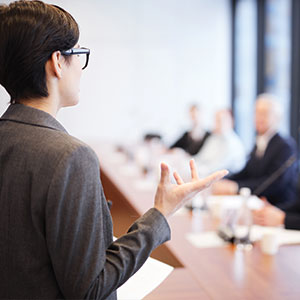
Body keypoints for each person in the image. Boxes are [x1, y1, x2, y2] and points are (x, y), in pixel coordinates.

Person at [0, 1, 227, 299]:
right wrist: (160, 213)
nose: (81, 68)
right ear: (57, 61)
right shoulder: (69, 157)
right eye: (79, 54)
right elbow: (91, 289)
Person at [213, 94, 298, 209]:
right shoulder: (259, 142)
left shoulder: (285, 146)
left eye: (264, 113)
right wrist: (224, 181)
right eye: (256, 112)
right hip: (256, 205)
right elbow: (247, 172)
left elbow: (273, 183)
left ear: (277, 117)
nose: (258, 117)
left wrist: (236, 187)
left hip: (277, 208)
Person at [194, 109, 246, 175]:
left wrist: (196, 170)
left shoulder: (232, 143)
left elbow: (216, 168)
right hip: (206, 173)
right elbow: (201, 157)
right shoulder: (214, 138)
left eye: (221, 120)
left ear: (231, 122)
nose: (218, 124)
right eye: (216, 120)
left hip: (223, 179)